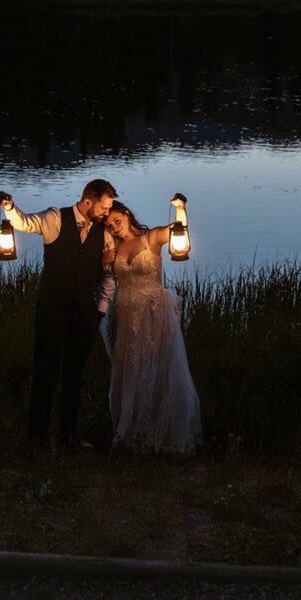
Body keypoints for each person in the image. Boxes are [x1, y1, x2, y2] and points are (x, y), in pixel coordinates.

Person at [0, 179, 118, 448]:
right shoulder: (54, 218)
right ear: (88, 201)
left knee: (75, 374)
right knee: (45, 371)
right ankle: (37, 437)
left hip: (85, 313)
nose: (106, 213)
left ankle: (69, 435)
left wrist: (100, 310)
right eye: (104, 207)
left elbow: (108, 275)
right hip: (51, 308)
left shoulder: (104, 232)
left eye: (108, 209)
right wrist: (9, 207)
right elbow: (25, 222)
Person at [102, 194, 202, 457]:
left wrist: (180, 209)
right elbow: (105, 278)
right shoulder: (113, 250)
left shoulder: (153, 237)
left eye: (116, 221)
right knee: (131, 367)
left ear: (126, 215)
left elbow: (179, 230)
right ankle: (131, 428)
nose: (114, 227)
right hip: (126, 314)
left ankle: (158, 428)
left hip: (154, 312)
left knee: (157, 365)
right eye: (109, 225)